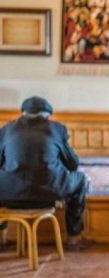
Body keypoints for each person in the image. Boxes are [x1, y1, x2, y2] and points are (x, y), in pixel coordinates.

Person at [0, 96, 93, 251]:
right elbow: (73, 164)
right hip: (49, 194)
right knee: (81, 180)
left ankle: (2, 236)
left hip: (9, 196)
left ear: (23, 114)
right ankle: (74, 237)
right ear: (48, 116)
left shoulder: (7, 130)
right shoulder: (56, 129)